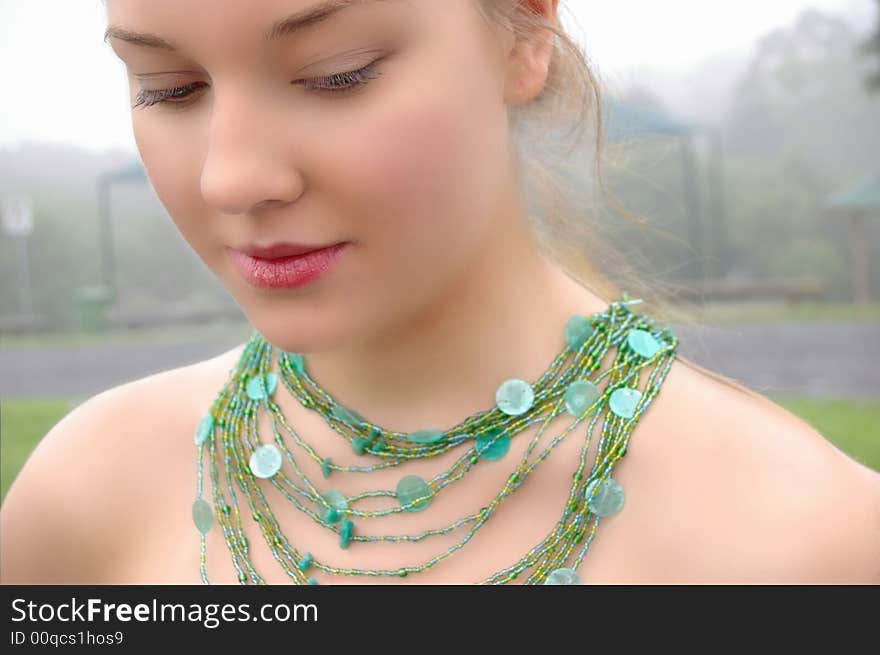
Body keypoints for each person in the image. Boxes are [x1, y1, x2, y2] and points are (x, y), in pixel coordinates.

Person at [1, 0, 878, 585]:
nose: (233, 178)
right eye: (170, 88)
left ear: (527, 30)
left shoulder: (804, 543)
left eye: (336, 72)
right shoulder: (85, 498)